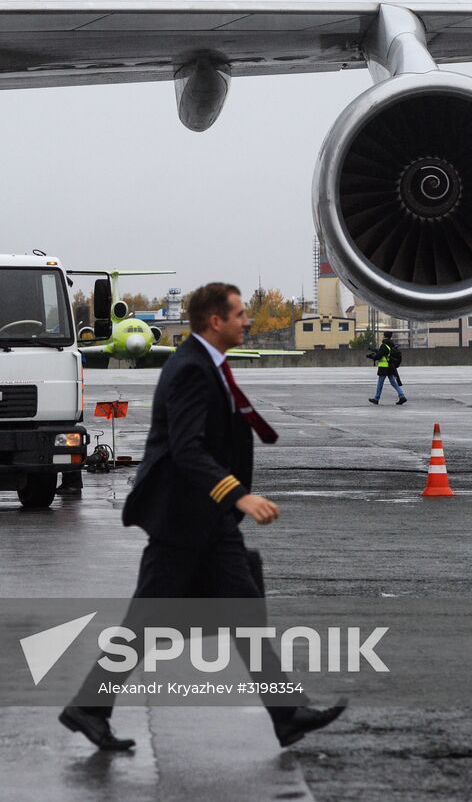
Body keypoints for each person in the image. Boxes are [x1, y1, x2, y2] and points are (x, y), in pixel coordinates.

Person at [59, 282, 345, 752]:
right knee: (147, 622)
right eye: (238, 314)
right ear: (216, 320)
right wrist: (239, 497)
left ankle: (287, 714)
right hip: (184, 519)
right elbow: (187, 449)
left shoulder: (207, 364)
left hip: (206, 521)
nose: (246, 321)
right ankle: (88, 707)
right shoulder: (191, 369)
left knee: (243, 610)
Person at [366, 331, 407, 405]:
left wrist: (371, 356)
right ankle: (402, 396)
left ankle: (376, 398)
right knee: (393, 383)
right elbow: (383, 353)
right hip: (390, 366)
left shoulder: (384, 345)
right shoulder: (392, 345)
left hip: (384, 367)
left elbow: (379, 356)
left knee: (380, 384)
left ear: (384, 336)